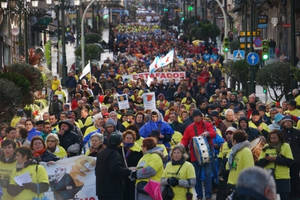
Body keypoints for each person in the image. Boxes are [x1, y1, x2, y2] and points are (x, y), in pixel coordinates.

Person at [181, 109, 216, 200]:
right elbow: (184, 139)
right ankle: (199, 195)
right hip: (194, 155)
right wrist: (180, 146)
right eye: (194, 117)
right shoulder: (189, 128)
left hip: (207, 154)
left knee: (208, 175)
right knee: (196, 176)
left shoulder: (207, 125)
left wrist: (208, 133)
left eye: (198, 116)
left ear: (201, 116)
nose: (196, 118)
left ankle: (208, 195)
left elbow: (213, 133)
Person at [257, 130, 293, 200]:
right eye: (271, 138)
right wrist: (267, 160)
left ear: (279, 138)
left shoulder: (285, 146)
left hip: (283, 179)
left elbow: (290, 162)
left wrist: (275, 159)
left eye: (274, 138)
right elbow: (259, 163)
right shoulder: (266, 147)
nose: (272, 140)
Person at [95, 133, 132, 200]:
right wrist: (129, 171)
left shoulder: (101, 153)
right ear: (119, 143)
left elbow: (96, 171)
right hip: (112, 190)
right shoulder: (114, 154)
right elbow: (115, 170)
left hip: (101, 190)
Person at [280, 116, 300, 200]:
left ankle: (296, 195)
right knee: (286, 179)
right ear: (283, 123)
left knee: (295, 178)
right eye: (286, 122)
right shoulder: (280, 134)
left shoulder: (298, 132)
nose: (288, 123)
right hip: (285, 160)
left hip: (296, 160)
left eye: (289, 122)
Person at [120, 130, 143, 200]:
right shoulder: (120, 149)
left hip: (132, 176)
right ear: (124, 139)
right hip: (122, 176)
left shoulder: (138, 151)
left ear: (133, 140)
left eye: (130, 138)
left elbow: (140, 163)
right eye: (127, 138)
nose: (128, 140)